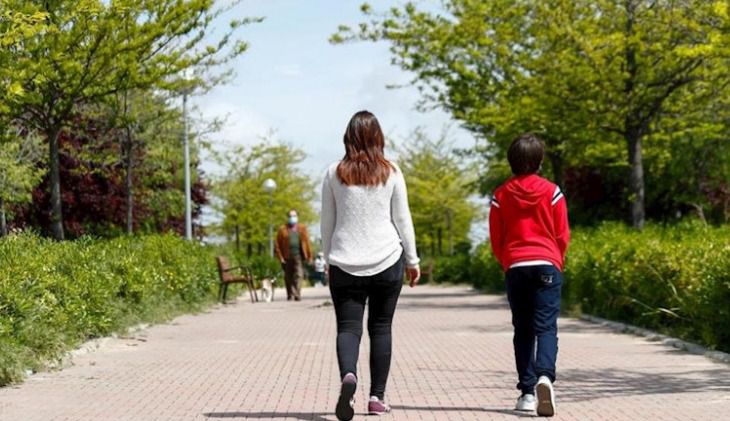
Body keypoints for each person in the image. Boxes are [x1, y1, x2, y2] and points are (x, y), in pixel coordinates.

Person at [321, 110, 420, 421]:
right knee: (381, 328)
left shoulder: (332, 173)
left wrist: (327, 260)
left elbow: (327, 223)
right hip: (387, 259)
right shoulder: (391, 172)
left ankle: (348, 377)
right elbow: (403, 220)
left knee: (348, 328)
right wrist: (413, 260)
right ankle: (377, 397)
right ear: (379, 138)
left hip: (344, 261)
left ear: (348, 138)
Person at [489, 133, 570, 417]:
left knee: (522, 329)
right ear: (539, 160)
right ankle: (545, 377)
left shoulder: (501, 195)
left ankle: (526, 392)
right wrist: (556, 260)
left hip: (516, 265)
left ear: (511, 160)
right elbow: (562, 233)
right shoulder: (552, 191)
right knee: (545, 326)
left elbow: (496, 237)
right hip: (547, 262)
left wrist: (507, 261)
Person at [274, 209, 313, 301]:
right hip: (287, 256)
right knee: (288, 276)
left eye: (294, 215)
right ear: (288, 217)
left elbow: (307, 243)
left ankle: (296, 294)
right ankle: (290, 294)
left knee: (299, 275)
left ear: (297, 217)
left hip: (298, 256)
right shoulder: (282, 229)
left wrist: (309, 256)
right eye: (291, 216)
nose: (292, 218)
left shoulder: (302, 228)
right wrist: (280, 257)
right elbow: (277, 245)